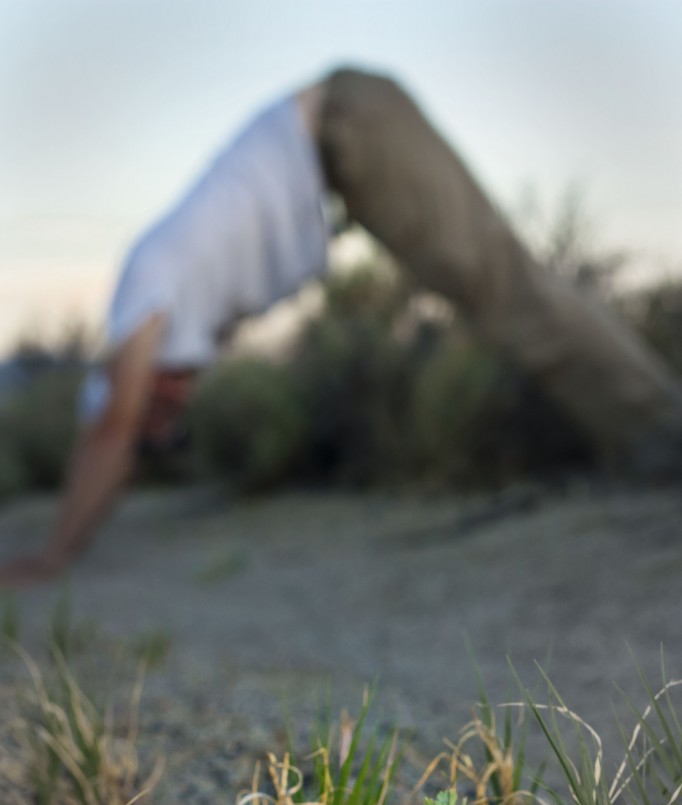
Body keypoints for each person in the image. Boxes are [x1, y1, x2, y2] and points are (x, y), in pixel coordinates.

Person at [2, 66, 681, 584]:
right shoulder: (178, 309)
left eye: (159, 405)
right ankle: (638, 431)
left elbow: (112, 432)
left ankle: (659, 431)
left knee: (506, 287)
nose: (174, 413)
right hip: (346, 148)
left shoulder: (142, 291)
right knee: (497, 296)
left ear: (131, 373)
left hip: (352, 126)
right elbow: (122, 440)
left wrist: (53, 556)